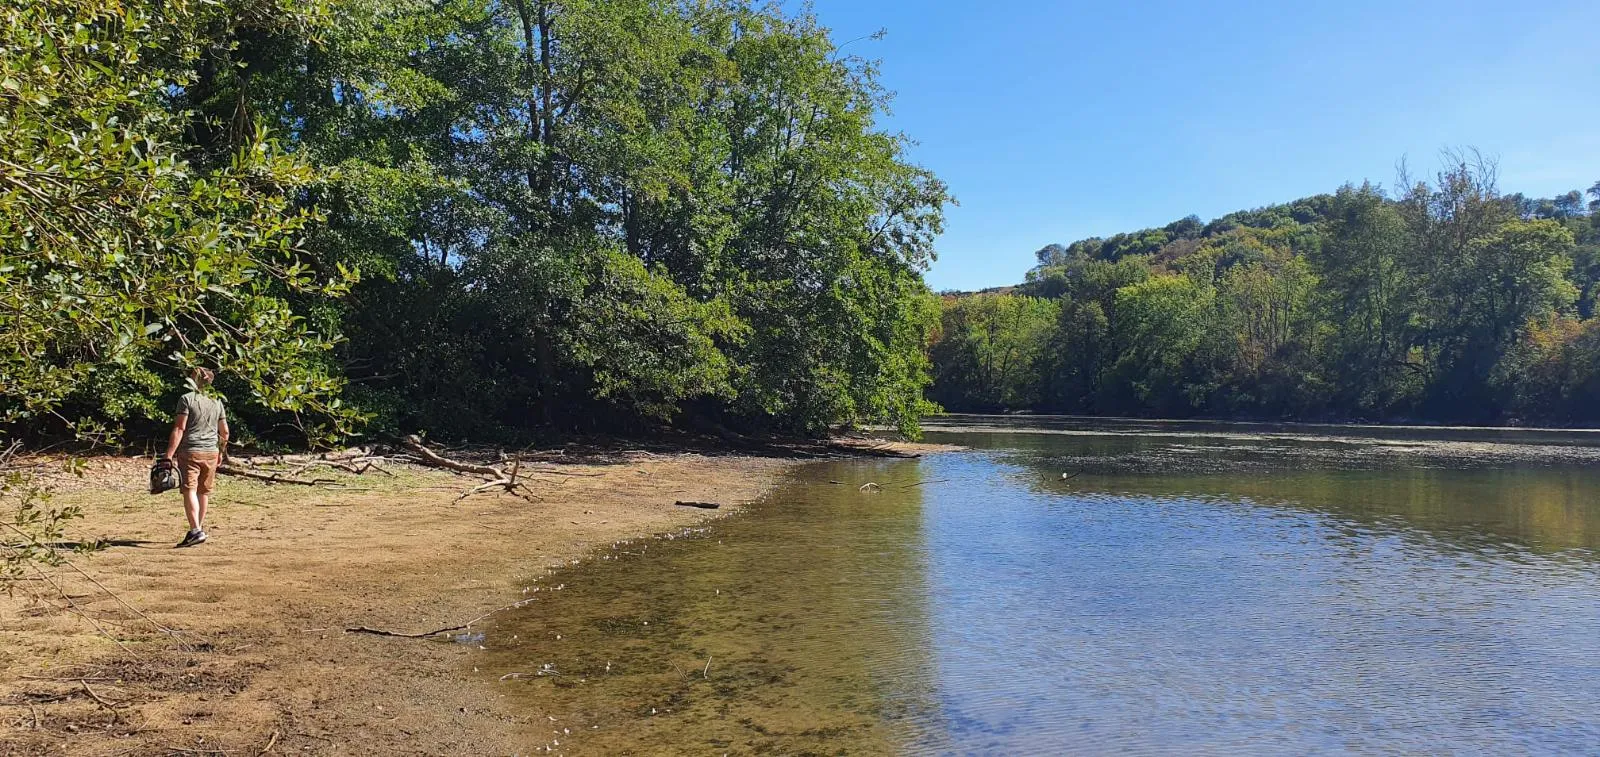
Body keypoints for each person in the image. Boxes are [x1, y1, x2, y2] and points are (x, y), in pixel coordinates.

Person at [162, 368, 228, 547]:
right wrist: (220, 452)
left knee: (189, 489)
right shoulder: (217, 401)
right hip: (211, 453)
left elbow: (179, 428)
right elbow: (225, 432)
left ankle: (196, 530)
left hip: (191, 451)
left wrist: (168, 455)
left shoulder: (186, 399)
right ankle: (198, 528)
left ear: (195, 380)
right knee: (203, 491)